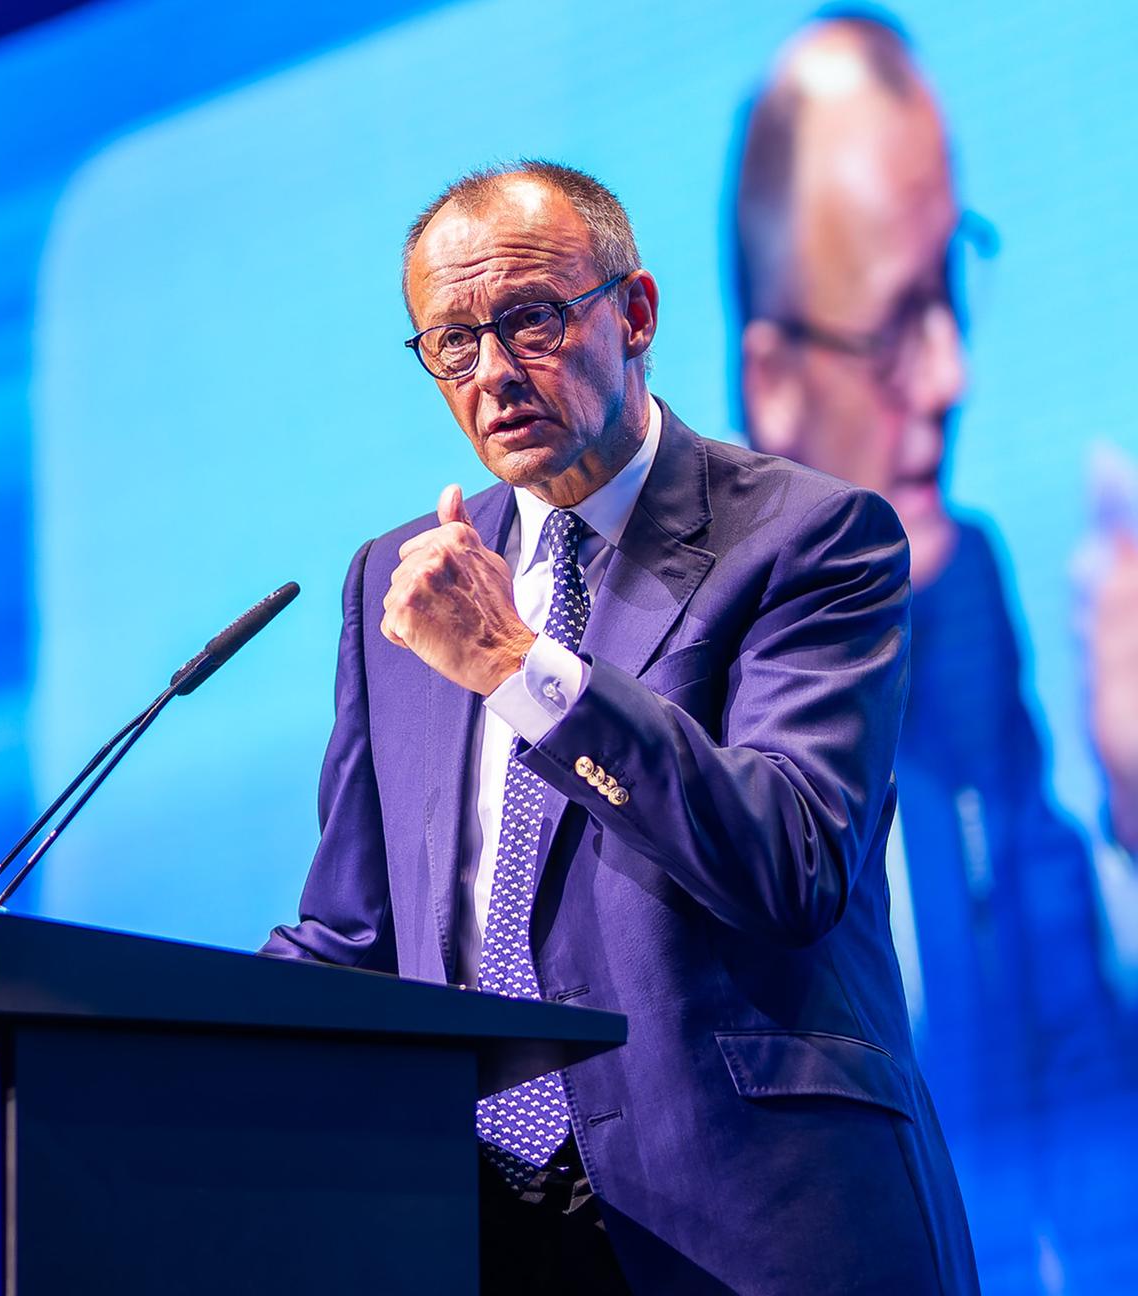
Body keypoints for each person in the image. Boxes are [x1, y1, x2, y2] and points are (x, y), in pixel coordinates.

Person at [265, 160, 977, 1293]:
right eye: (452, 343)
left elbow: (789, 860)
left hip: (753, 1217)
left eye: (531, 319)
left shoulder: (810, 538)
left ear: (635, 312)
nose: (493, 372)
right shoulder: (393, 585)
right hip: (474, 1230)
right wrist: (126, 1035)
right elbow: (354, 935)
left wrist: (514, 664)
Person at [732, 12, 1126, 1136]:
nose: (951, 374)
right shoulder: (703, 712)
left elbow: (1070, 1014)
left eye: (952, 290)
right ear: (777, 386)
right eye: (900, 325)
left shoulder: (966, 594)